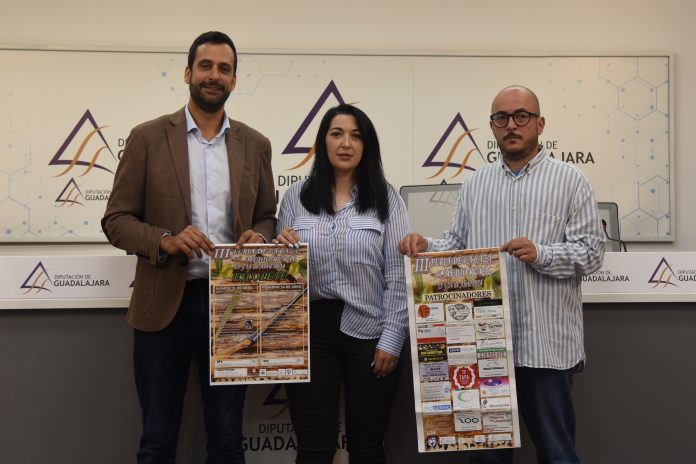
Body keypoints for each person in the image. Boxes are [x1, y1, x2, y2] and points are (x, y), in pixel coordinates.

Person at [398, 85, 605, 464]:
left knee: (557, 454)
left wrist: (542, 253)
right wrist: (427, 246)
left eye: (522, 116)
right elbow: (457, 246)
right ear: (492, 126)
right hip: (484, 347)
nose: (512, 125)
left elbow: (592, 254)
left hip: (547, 349)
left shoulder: (571, 181)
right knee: (487, 458)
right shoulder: (476, 183)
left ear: (540, 123)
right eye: (501, 118)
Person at [101, 31, 276, 464]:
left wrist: (259, 236)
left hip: (233, 306)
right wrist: (165, 239)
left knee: (228, 441)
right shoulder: (147, 138)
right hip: (164, 307)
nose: (214, 75)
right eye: (205, 66)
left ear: (234, 80)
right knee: (158, 441)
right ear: (187, 73)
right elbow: (116, 220)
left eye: (224, 69)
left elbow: (266, 216)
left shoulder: (256, 144)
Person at [274, 104, 409, 464]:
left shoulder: (387, 199)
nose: (346, 143)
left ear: (367, 145)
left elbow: (397, 275)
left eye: (356, 136)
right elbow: (282, 277)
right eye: (336, 134)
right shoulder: (296, 197)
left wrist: (392, 338)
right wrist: (279, 248)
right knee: (313, 449)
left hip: (370, 334)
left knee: (367, 447)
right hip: (310, 335)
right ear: (323, 141)